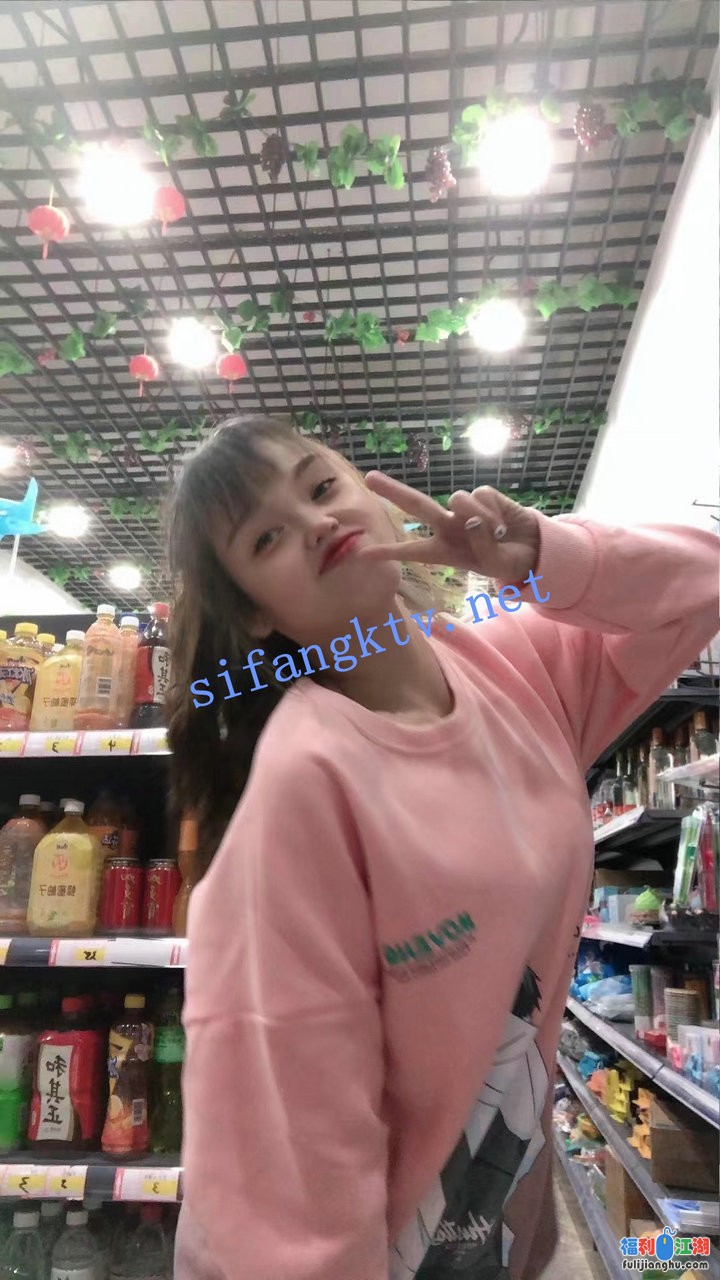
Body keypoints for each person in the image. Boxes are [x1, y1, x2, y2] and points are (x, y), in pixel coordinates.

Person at [166, 413, 718, 1280]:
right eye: (266, 537)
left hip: (504, 1235)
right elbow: (291, 1162)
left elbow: (703, 582)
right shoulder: (306, 784)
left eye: (321, 486)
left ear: (375, 498)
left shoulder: (514, 667)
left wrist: (543, 557)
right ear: (254, 612)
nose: (314, 522)